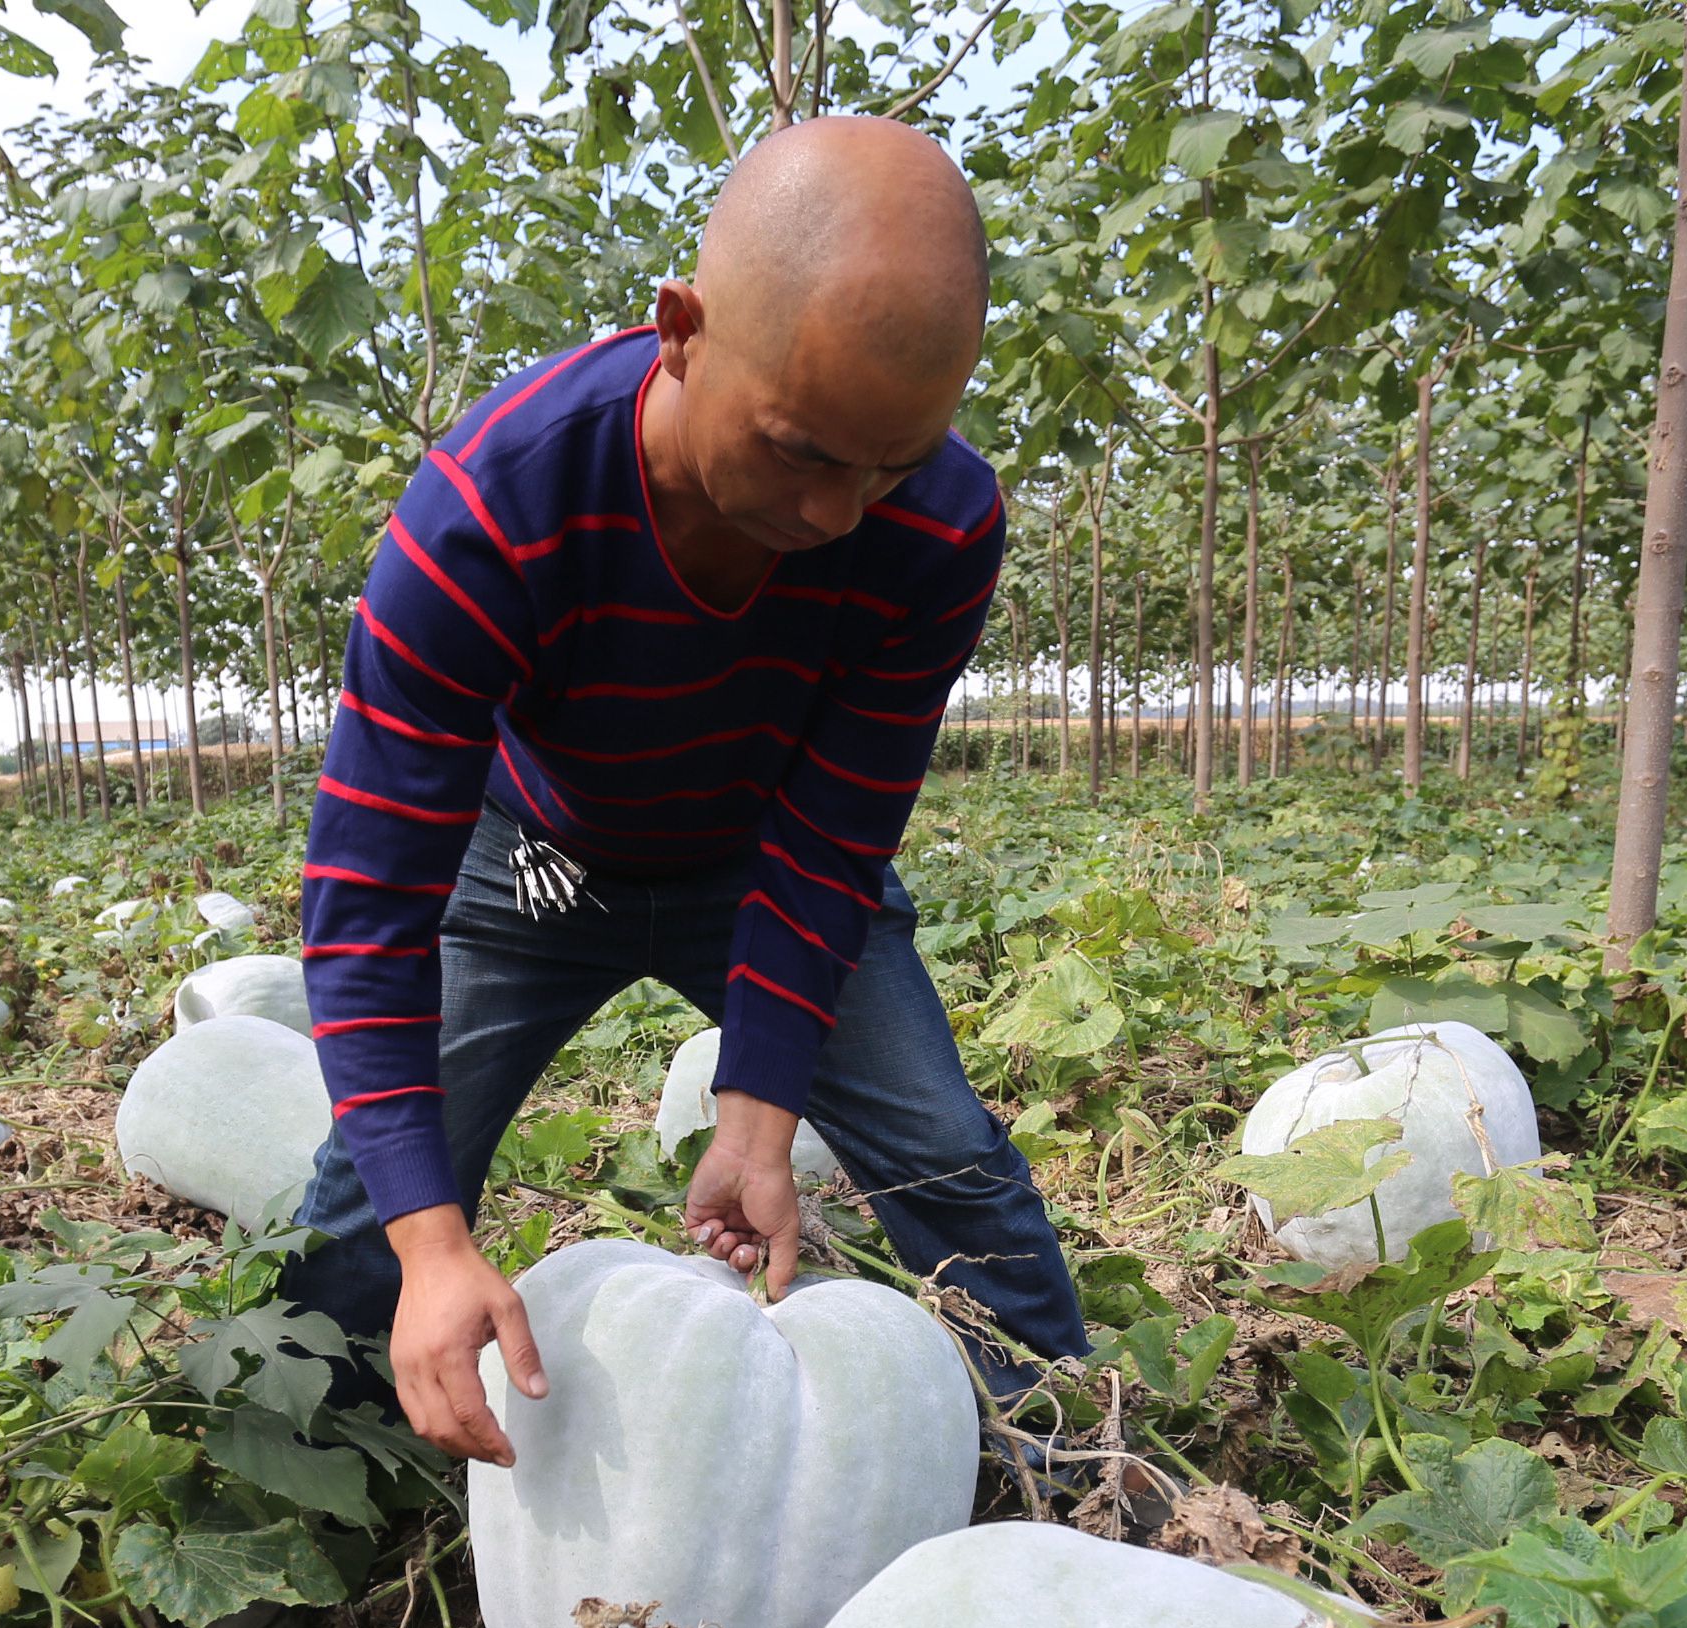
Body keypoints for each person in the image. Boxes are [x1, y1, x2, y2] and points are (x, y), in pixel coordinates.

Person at [285, 115, 1088, 1467]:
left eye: (887, 462)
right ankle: (298, 1481)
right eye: (800, 450)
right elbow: (366, 908)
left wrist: (759, 1122)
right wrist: (435, 1247)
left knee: (949, 1157)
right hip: (531, 861)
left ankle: (1073, 1463)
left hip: (757, 858)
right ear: (682, 327)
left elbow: (834, 837)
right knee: (367, 1221)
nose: (838, 512)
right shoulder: (487, 515)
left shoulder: (940, 526)